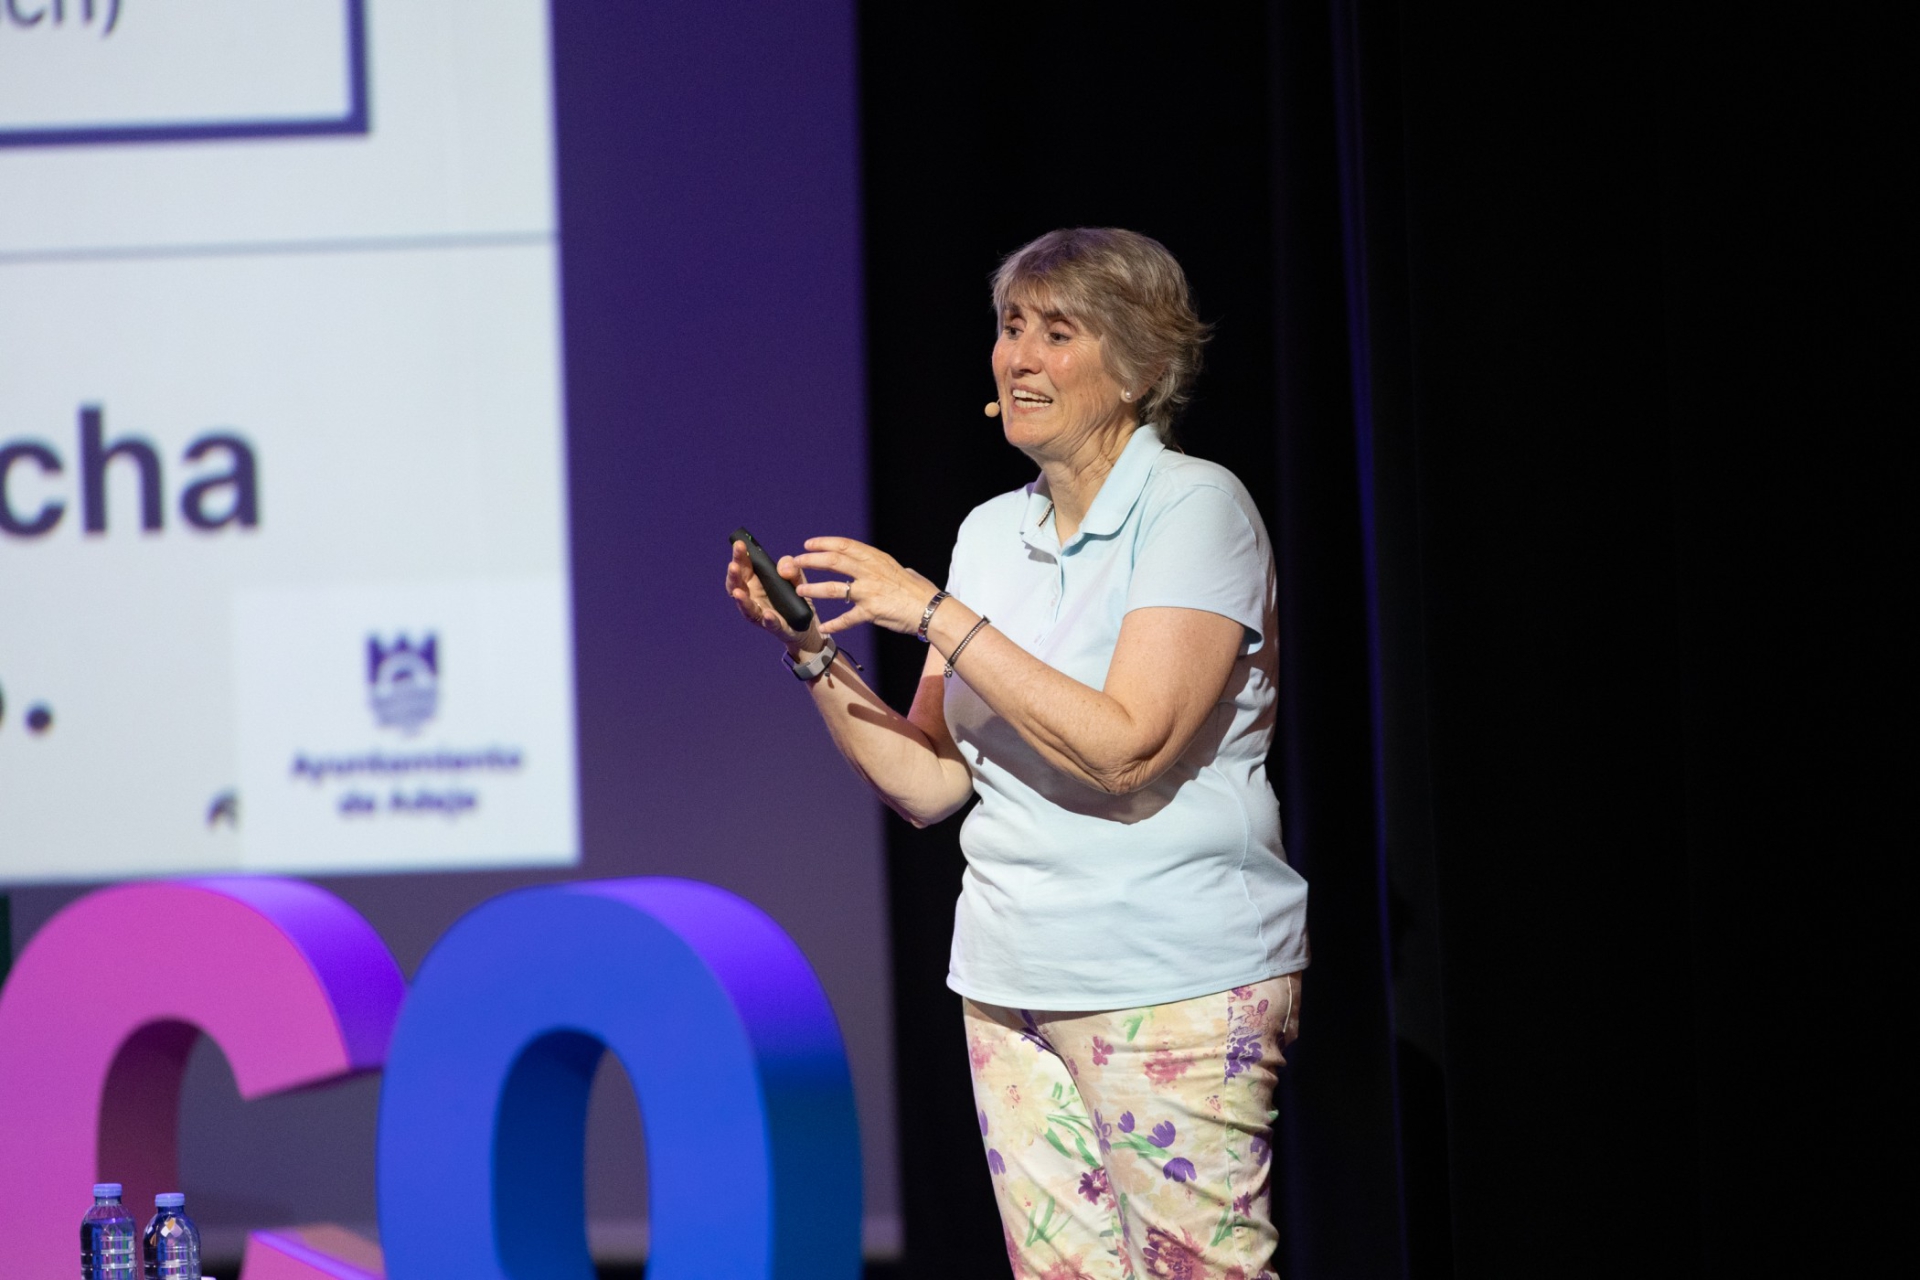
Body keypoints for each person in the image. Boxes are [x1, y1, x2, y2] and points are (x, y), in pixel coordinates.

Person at [725, 227, 1307, 1280]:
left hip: (1170, 975)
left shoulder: (1196, 507)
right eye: (1009, 327)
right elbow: (929, 782)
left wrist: (934, 613)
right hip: (1010, 981)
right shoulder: (992, 532)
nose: (1019, 357)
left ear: (1140, 367)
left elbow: (1127, 748)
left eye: (1058, 332)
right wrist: (812, 652)